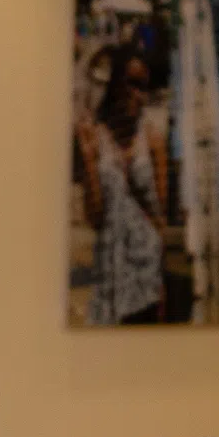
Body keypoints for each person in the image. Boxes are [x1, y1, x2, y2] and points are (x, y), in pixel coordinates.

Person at [75, 49, 169, 324]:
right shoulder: (95, 136)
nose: (136, 95)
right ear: (116, 83)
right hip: (112, 276)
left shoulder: (152, 139)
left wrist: (162, 284)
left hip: (147, 274)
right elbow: (94, 218)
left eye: (143, 87)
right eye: (131, 83)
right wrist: (91, 163)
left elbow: (159, 219)